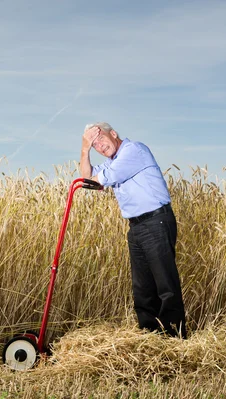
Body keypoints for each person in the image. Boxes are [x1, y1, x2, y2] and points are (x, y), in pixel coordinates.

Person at [79, 122, 187, 338]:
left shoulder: (133, 150)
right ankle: (149, 335)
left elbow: (99, 180)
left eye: (101, 139)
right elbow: (86, 180)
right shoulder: (112, 162)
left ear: (114, 134)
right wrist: (84, 149)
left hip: (156, 221)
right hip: (136, 226)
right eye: (95, 145)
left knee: (165, 283)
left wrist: (93, 176)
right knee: (142, 286)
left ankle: (174, 337)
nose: (99, 146)